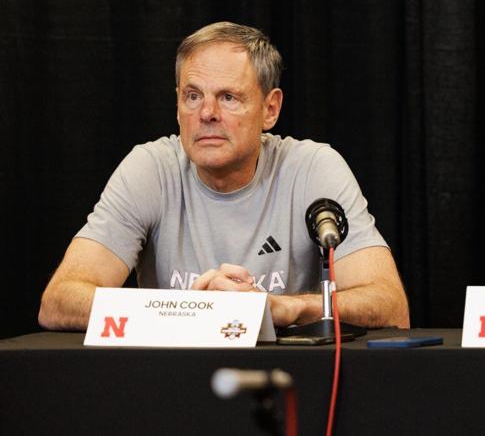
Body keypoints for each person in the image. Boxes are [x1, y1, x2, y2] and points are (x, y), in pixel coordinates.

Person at [38, 22, 409, 331]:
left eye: (229, 97)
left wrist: (286, 308)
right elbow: (59, 301)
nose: (207, 113)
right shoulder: (151, 168)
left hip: (287, 381)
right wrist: (189, 311)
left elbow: (389, 305)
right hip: (170, 383)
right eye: (193, 96)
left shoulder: (311, 168)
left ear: (270, 108)